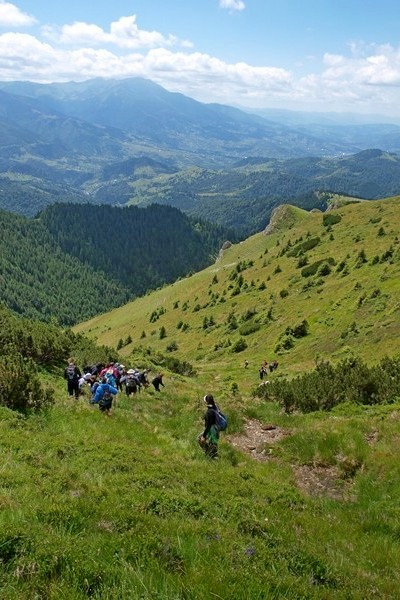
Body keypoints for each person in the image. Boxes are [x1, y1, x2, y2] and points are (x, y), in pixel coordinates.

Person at [198, 394, 219, 459]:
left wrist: (204, 436)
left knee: (200, 439)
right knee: (213, 444)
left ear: (207, 402)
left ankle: (210, 455)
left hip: (211, 430)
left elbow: (208, 426)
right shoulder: (215, 407)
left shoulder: (209, 412)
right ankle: (212, 455)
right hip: (216, 429)